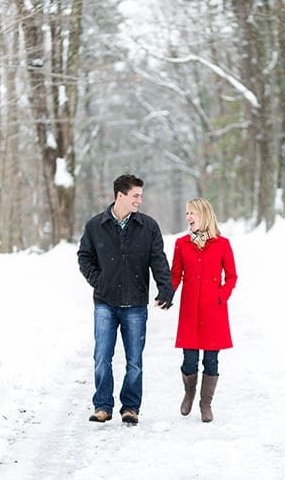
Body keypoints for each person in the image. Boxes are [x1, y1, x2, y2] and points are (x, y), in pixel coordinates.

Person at [78, 174, 174, 425]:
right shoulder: (95, 225)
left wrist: (166, 289)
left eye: (140, 196)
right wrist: (100, 282)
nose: (139, 201)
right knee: (102, 356)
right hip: (104, 303)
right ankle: (102, 406)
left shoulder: (148, 226)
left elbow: (158, 259)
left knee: (134, 360)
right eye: (136, 196)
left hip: (135, 303)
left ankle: (130, 407)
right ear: (120, 195)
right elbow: (84, 257)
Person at [170, 197, 237, 423]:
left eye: (192, 213)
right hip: (190, 311)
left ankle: (205, 402)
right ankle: (189, 393)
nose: (188, 217)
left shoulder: (222, 244)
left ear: (204, 215)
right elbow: (175, 274)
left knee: (211, 361)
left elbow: (231, 276)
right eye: (187, 213)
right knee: (189, 360)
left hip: (213, 312)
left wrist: (221, 296)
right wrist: (167, 293)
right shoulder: (181, 244)